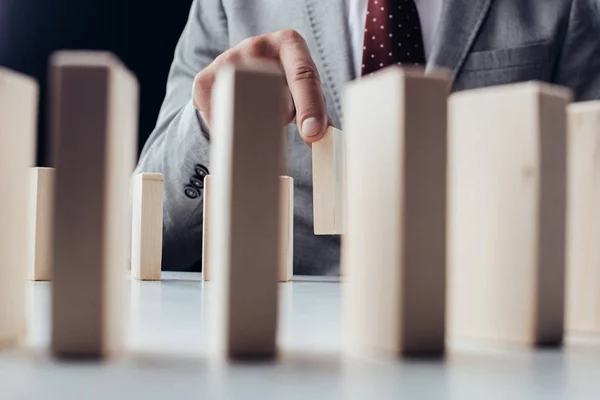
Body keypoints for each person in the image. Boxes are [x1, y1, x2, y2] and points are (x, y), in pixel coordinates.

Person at [136, 0, 600, 275]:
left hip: (483, 334)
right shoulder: (226, 5)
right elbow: (144, 233)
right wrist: (210, 126)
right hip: (290, 341)